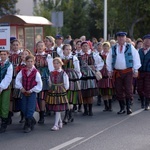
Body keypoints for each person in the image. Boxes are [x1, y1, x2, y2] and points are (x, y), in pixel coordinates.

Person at [106, 32, 141, 115]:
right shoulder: (113, 48)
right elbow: (109, 59)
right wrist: (109, 70)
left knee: (128, 89)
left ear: (125, 38)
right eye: (119, 37)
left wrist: (136, 70)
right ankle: (122, 107)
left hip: (128, 71)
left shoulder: (130, 47)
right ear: (117, 38)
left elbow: (136, 58)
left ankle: (129, 107)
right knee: (118, 90)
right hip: (117, 72)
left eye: (123, 37)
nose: (121, 38)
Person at [15, 55, 42, 133]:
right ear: (25, 62)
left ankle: (28, 124)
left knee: (30, 108)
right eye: (28, 62)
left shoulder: (36, 72)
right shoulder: (22, 71)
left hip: (32, 93)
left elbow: (39, 84)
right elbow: (18, 80)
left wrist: (32, 90)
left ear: (34, 62)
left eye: (31, 61)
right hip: (24, 92)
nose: (30, 63)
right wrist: (21, 88)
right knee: (23, 107)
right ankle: (32, 120)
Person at [78, 41, 104, 116]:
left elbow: (101, 62)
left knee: (90, 94)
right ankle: (85, 110)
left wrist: (96, 68)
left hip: (90, 76)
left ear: (89, 47)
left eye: (86, 46)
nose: (85, 47)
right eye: (83, 46)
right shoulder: (78, 55)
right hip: (82, 76)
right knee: (84, 93)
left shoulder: (94, 55)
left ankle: (90, 110)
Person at [46, 57, 69, 131]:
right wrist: (52, 87)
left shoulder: (63, 73)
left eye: (57, 63)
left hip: (60, 90)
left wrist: (63, 89)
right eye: (54, 63)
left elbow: (66, 84)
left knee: (58, 108)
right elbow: (49, 82)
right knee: (56, 108)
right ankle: (60, 122)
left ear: (61, 64)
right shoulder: (51, 73)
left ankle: (56, 124)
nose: (55, 65)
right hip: (53, 90)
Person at [60, 44, 82, 123]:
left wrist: (77, 78)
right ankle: (69, 115)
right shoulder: (60, 58)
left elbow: (77, 69)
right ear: (63, 50)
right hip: (63, 77)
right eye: (66, 49)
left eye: (69, 49)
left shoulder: (74, 58)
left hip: (72, 78)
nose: (68, 51)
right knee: (65, 97)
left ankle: (67, 115)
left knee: (71, 97)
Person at [35, 41, 54, 124]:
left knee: (42, 96)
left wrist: (51, 78)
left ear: (44, 47)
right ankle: (39, 113)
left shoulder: (48, 56)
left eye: (41, 46)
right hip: (35, 77)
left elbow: (51, 68)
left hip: (44, 77)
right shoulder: (34, 56)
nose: (40, 47)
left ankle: (42, 116)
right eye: (38, 46)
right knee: (36, 96)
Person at [13, 49, 31, 123]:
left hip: (27, 84)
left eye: (26, 54)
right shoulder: (19, 64)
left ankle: (28, 117)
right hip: (20, 84)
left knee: (27, 100)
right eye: (23, 54)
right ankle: (22, 115)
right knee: (20, 100)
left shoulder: (29, 65)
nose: (24, 56)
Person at [98, 42, 115, 111]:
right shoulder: (99, 55)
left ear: (109, 48)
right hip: (102, 72)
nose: (105, 48)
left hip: (109, 71)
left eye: (107, 47)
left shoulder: (111, 55)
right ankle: (106, 106)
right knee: (104, 90)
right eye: (104, 47)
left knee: (109, 90)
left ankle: (110, 106)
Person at [8, 37, 22, 125]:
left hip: (19, 77)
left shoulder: (21, 55)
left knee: (19, 96)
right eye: (14, 45)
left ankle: (22, 114)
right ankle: (9, 115)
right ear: (11, 46)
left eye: (17, 45)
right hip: (10, 78)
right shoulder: (9, 55)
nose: (15, 46)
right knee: (10, 97)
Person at [0, 51, 13, 133]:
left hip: (5, 87)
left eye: (4, 54)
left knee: (4, 105)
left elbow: (8, 77)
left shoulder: (9, 65)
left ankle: (4, 124)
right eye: (1, 54)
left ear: (7, 55)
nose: (3, 56)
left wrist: (1, 87)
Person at [137, 34, 150, 110]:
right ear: (143, 41)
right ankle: (142, 101)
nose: (147, 41)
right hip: (140, 72)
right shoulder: (139, 51)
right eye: (146, 40)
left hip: (149, 72)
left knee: (147, 88)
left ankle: (147, 104)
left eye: (149, 40)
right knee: (139, 89)